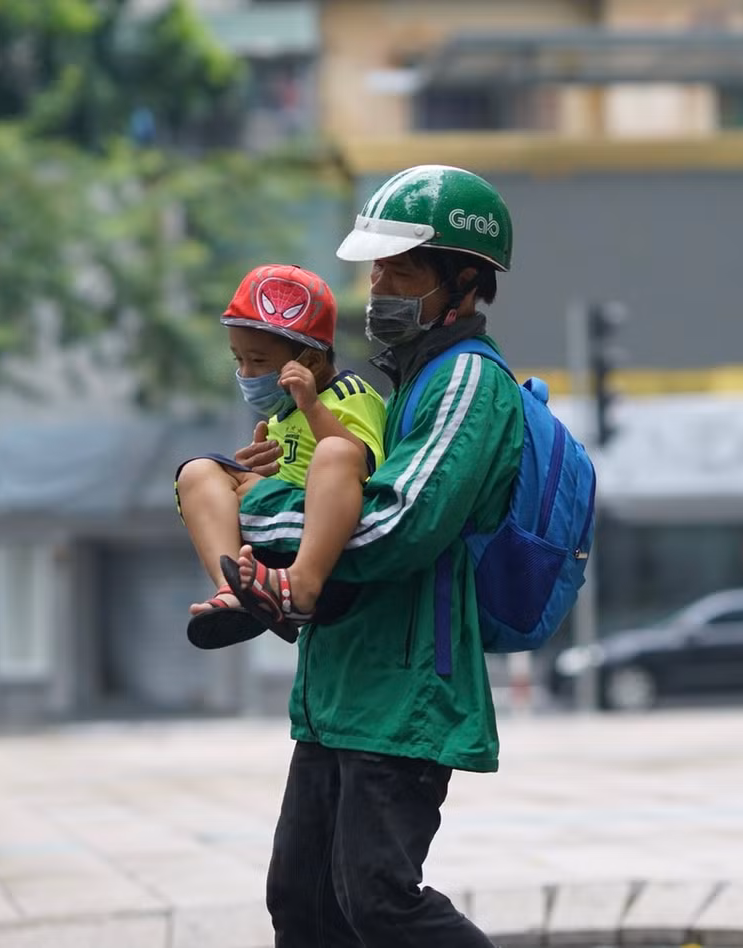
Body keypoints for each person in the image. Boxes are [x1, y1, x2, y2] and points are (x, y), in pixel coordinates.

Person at [231, 165, 522, 946]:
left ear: (461, 281)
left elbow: (396, 524)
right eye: (376, 267)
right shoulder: (397, 384)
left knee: (380, 902)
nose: (378, 284)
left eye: (401, 269)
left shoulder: (466, 381)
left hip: (405, 691)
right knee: (302, 903)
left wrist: (252, 514)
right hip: (338, 684)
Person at [176, 264, 387, 648]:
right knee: (198, 472)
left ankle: (301, 586)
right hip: (276, 546)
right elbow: (294, 476)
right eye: (237, 359)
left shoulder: (349, 394)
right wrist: (263, 475)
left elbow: (363, 463)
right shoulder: (283, 412)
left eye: (257, 361)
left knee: (337, 450)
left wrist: (312, 407)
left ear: (311, 363)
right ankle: (232, 591)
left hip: (329, 560)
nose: (245, 372)